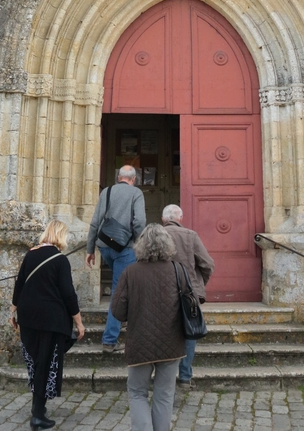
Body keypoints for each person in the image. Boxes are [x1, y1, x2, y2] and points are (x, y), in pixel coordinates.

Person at [10, 220, 85, 430]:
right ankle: (37, 415)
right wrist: (78, 322)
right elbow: (68, 294)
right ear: (60, 236)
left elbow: (19, 284)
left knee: (36, 362)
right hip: (50, 319)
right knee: (45, 363)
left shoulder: (30, 254)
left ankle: (39, 410)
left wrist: (12, 311)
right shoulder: (60, 260)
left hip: (28, 317)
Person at [111, 224, 186, 431]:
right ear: (167, 245)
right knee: (164, 394)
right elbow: (190, 305)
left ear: (141, 245)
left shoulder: (130, 272)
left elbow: (117, 311)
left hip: (140, 343)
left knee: (137, 393)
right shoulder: (177, 270)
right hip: (171, 343)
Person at [85, 164, 146, 351]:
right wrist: (139, 245)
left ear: (118, 177)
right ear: (133, 179)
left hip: (104, 246)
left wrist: (90, 249)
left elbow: (95, 221)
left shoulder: (107, 192)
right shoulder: (136, 193)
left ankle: (123, 320)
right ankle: (110, 339)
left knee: (124, 284)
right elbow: (139, 222)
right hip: (125, 248)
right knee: (119, 290)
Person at [161, 203, 214, 388]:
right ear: (180, 219)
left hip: (161, 293)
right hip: (189, 293)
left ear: (163, 220)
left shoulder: (154, 235)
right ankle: (184, 377)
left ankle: (164, 377)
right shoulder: (190, 236)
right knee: (190, 333)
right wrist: (199, 284)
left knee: (164, 333)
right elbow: (207, 264)